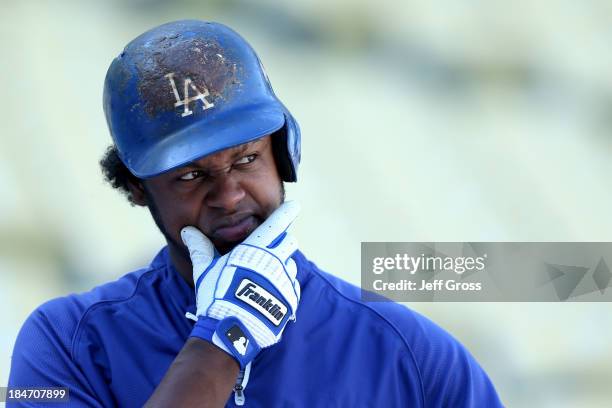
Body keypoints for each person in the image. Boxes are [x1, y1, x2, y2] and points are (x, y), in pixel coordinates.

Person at [8, 20, 503, 407]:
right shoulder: (64, 341)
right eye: (189, 176)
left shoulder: (411, 353)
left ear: (284, 154)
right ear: (138, 189)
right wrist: (220, 342)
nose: (228, 196)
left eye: (246, 160)